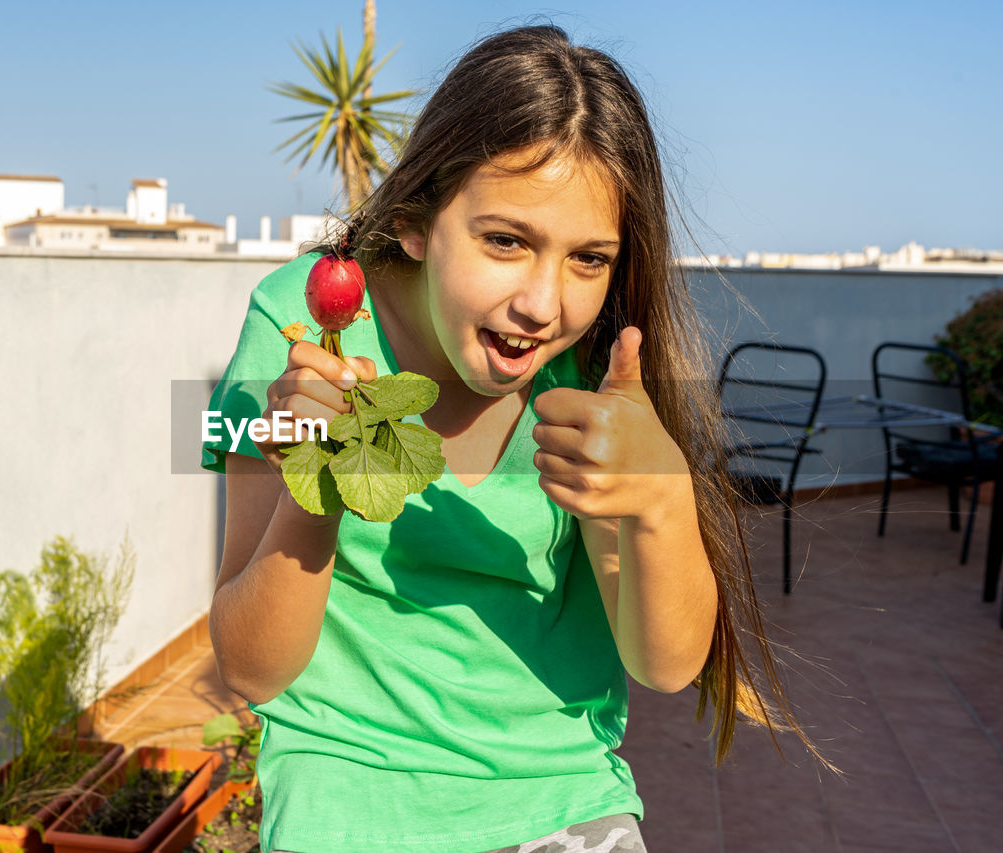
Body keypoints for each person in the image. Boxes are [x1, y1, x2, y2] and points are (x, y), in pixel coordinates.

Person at [201, 24, 823, 853]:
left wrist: (660, 494)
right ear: (417, 219)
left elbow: (666, 662)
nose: (542, 303)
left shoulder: (600, 371)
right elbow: (248, 665)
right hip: (347, 792)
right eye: (506, 240)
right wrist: (316, 487)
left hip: (560, 798)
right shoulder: (301, 318)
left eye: (588, 259)